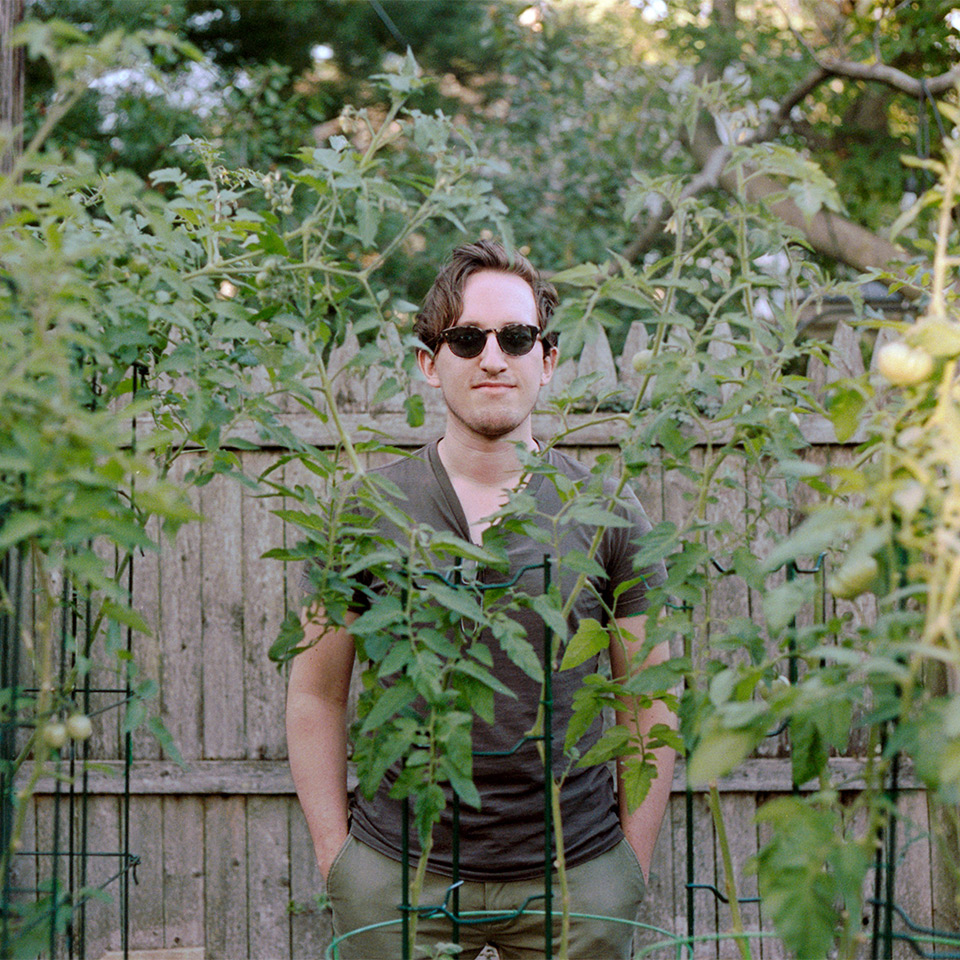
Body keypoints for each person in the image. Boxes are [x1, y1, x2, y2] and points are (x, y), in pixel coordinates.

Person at [286, 239, 674, 960]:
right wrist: (338, 860)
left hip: (577, 875)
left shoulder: (609, 510)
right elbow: (316, 694)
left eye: (516, 337)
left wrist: (628, 869)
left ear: (547, 360)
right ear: (430, 364)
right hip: (399, 879)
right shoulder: (368, 512)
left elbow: (647, 697)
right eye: (467, 339)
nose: (493, 357)